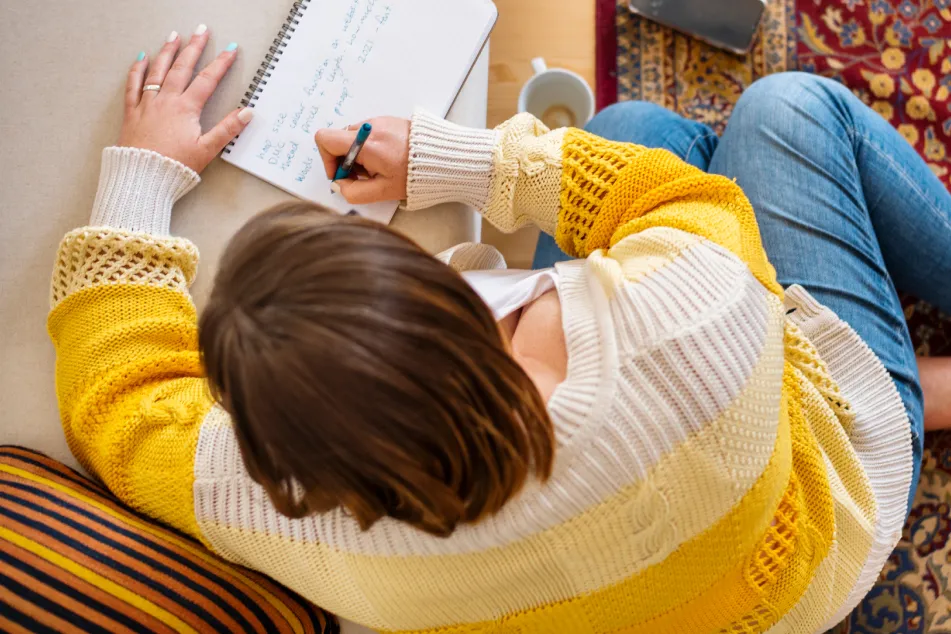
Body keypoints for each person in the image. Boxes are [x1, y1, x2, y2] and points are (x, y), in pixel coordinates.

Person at [48, 27, 951, 634]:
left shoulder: (299, 519)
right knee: (781, 110)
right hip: (823, 508)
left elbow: (119, 412)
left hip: (708, 603)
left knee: (638, 122)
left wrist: (141, 182)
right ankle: (914, 392)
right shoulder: (680, 315)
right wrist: (456, 160)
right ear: (448, 299)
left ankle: (930, 385)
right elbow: (681, 203)